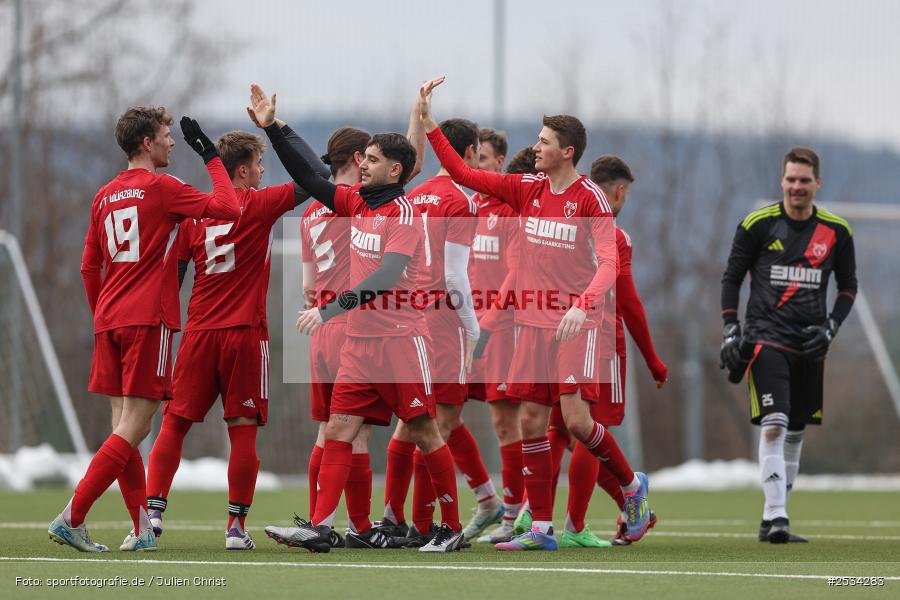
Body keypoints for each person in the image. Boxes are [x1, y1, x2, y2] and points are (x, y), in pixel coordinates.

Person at [420, 78, 651, 551]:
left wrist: (582, 307)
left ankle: (631, 487)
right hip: (532, 324)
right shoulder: (527, 188)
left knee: (578, 421)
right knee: (530, 420)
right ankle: (541, 529)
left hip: (575, 327)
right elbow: (466, 176)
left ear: (567, 152)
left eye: (544, 141)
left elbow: (608, 263)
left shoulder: (590, 199)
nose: (535, 147)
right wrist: (428, 125)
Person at [249, 83, 465, 552]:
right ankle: (321, 525)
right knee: (340, 429)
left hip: (401, 344)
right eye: (361, 158)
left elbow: (385, 278)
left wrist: (328, 309)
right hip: (359, 346)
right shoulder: (355, 204)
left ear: (394, 169)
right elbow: (311, 178)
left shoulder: (402, 214)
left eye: (369, 159)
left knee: (426, 432)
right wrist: (274, 128)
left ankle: (451, 528)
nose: (360, 164)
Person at [49, 107, 240, 552]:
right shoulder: (162, 188)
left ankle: (141, 529)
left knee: (124, 426)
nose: (172, 142)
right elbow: (229, 207)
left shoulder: (103, 196)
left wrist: (103, 314)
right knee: (134, 428)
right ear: (145, 144)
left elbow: (87, 267)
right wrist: (210, 154)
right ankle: (72, 516)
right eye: (166, 136)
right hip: (146, 321)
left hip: (110, 321)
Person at [141, 122, 328, 550]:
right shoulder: (259, 204)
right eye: (259, 164)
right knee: (243, 429)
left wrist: (170, 319)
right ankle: (235, 529)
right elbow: (315, 176)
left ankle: (152, 513)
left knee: (175, 423)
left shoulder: (198, 210)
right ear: (242, 171)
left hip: (199, 332)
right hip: (244, 335)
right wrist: (277, 129)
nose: (263, 171)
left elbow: (177, 271)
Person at [720, 147, 856, 543]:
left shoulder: (837, 231)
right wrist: (732, 329)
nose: (797, 186)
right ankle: (778, 517)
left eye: (804, 180)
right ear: (782, 181)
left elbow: (848, 287)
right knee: (775, 425)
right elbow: (731, 278)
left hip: (811, 343)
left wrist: (831, 327)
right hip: (765, 339)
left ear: (817, 183)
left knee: (796, 431)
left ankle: (770, 518)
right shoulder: (758, 224)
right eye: (791, 179)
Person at [381, 116, 503, 547]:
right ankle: (419, 524)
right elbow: (454, 278)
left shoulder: (413, 196)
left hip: (408, 317)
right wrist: (473, 331)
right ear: (468, 153)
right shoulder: (462, 201)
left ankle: (392, 518)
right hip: (443, 321)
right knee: (440, 423)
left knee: (412, 421)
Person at [550, 156, 668, 548]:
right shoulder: (614, 236)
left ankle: (532, 518)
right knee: (590, 427)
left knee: (560, 429)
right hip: (598, 340)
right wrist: (652, 358)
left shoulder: (558, 223)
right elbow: (630, 304)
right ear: (619, 191)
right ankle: (576, 525)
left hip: (548, 335)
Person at [467, 135, 532, 544]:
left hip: (500, 330)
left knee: (509, 423)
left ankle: (516, 514)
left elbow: (515, 272)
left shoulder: (509, 209)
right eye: (472, 158)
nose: (476, 166)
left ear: (500, 162)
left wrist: (489, 322)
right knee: (444, 417)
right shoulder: (469, 207)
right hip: (465, 328)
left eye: (483, 159)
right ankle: (494, 504)